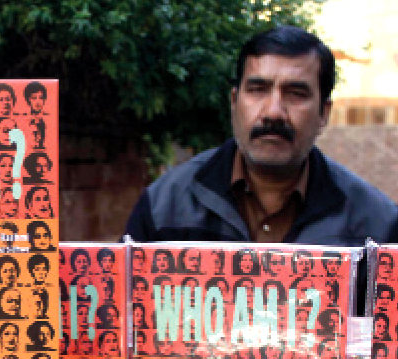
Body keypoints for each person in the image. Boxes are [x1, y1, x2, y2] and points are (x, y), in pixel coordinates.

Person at [123, 26, 398, 313]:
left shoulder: (377, 229)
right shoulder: (163, 208)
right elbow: (121, 329)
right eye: (258, 90)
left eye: (296, 93)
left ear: (323, 114)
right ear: (234, 102)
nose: (273, 112)